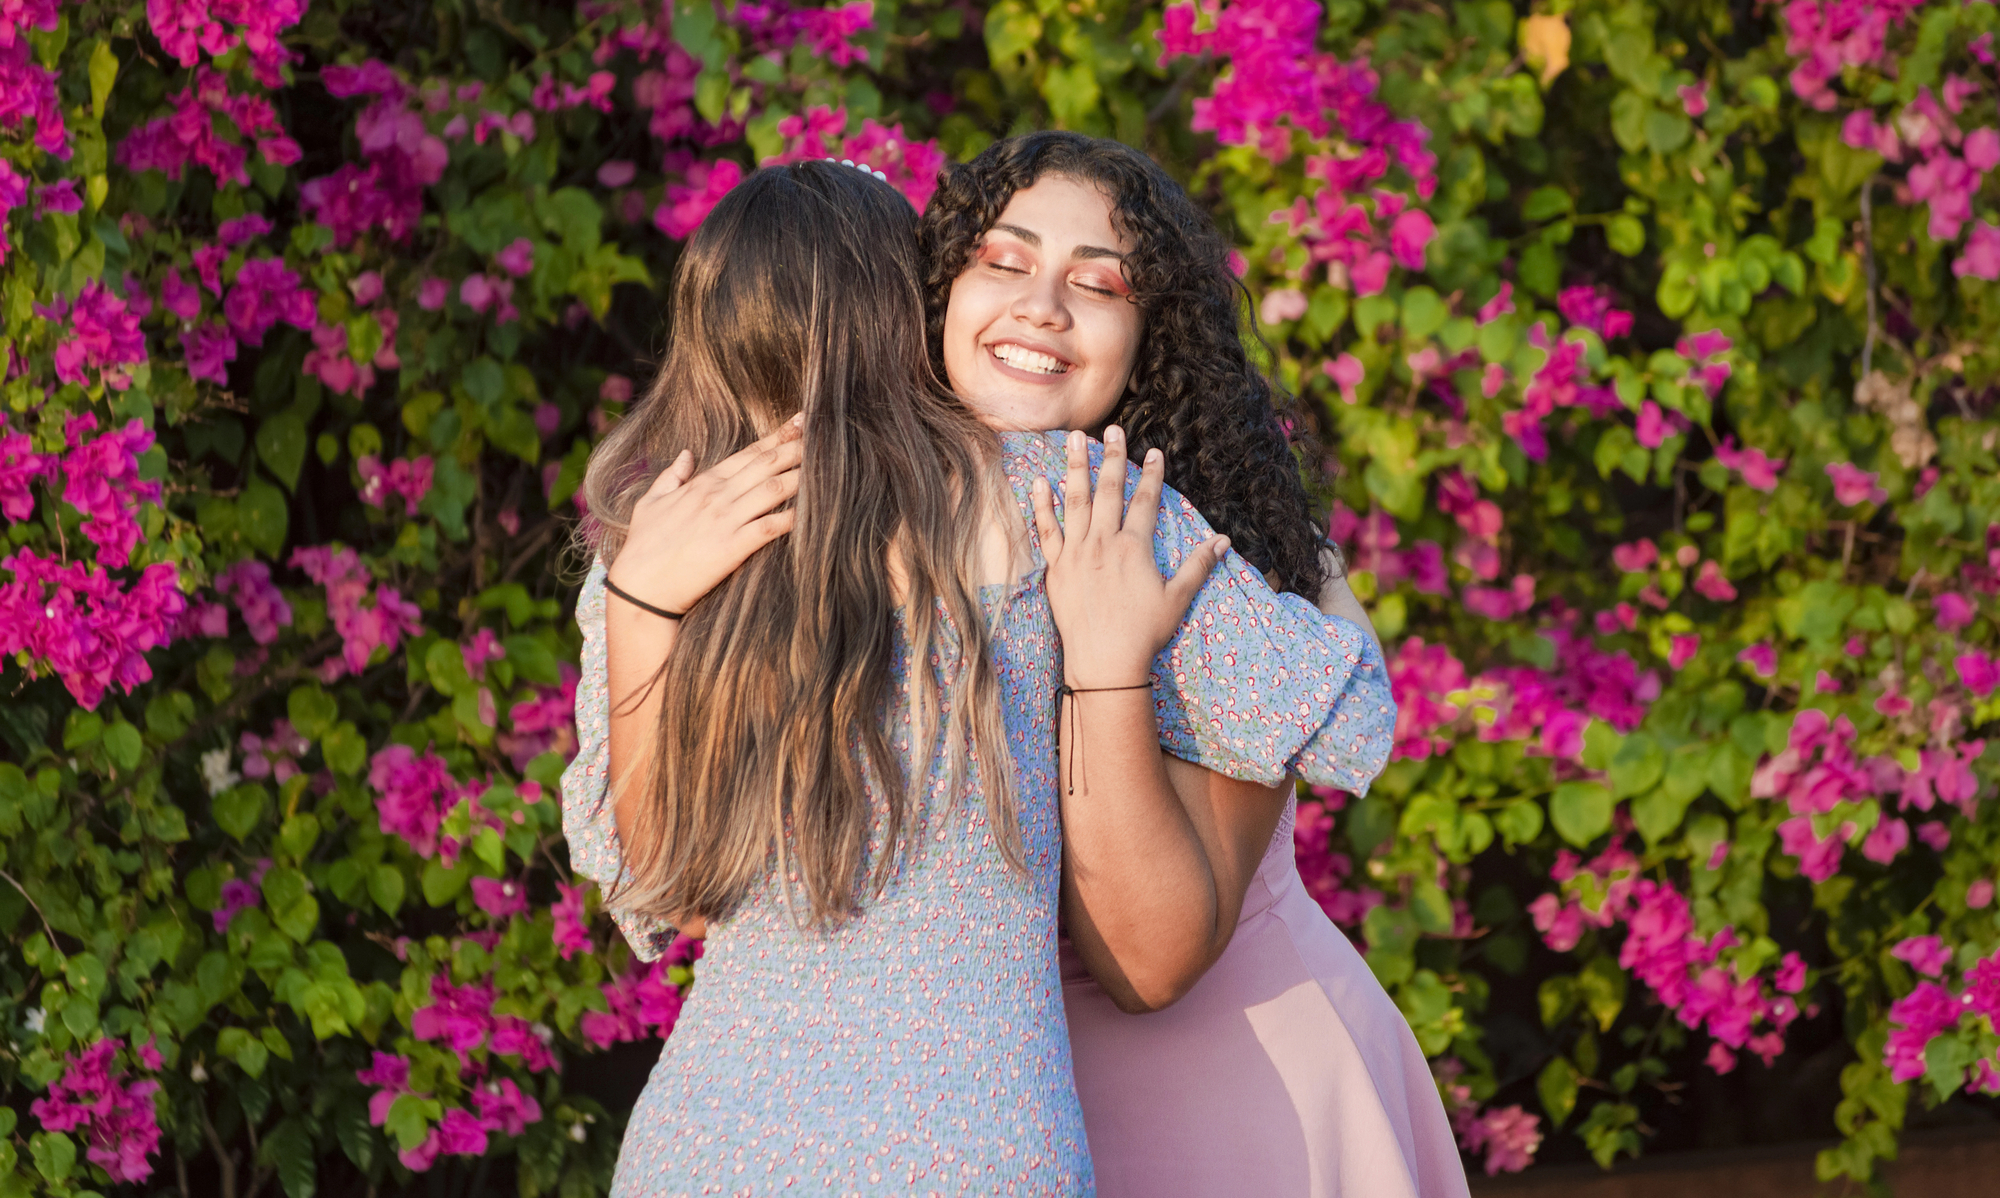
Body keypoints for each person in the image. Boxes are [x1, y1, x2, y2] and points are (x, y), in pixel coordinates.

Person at [560, 159, 1394, 1194]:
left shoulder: (659, 544)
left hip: (707, 1147)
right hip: (976, 1151)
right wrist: (1312, 567)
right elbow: (1347, 715)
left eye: (1094, 281)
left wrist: (640, 607)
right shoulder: (1070, 499)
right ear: (911, 309)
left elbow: (659, 886)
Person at [918, 131, 1471, 1198]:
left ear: (1148, 338)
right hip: (980, 1114)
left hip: (1233, 1106)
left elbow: (1149, 963)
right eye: (1001, 259)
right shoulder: (877, 529)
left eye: (1098, 282)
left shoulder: (1219, 550)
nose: (1041, 304)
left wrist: (1107, 661)